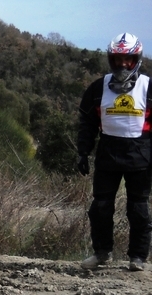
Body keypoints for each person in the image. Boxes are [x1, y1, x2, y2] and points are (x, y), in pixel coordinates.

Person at [77, 32, 152, 272]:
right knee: (100, 207)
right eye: (117, 59)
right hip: (108, 153)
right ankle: (101, 253)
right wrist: (82, 152)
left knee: (138, 209)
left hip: (141, 155)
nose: (122, 64)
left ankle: (138, 257)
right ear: (111, 60)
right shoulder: (98, 87)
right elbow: (87, 122)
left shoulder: (149, 87)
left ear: (136, 59)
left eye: (127, 59)